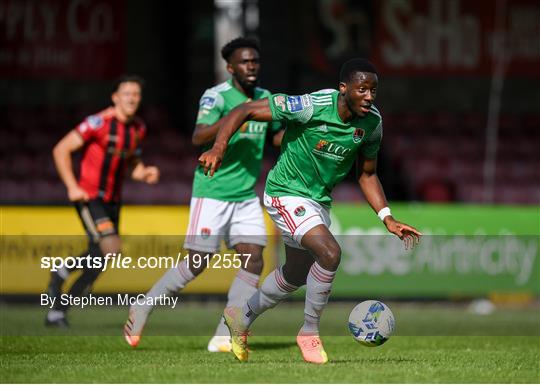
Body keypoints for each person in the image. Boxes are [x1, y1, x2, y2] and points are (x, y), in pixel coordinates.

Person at [199, 58, 422, 364]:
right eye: (362, 89)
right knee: (330, 253)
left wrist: (387, 217)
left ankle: (241, 317)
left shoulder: (372, 124)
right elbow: (245, 110)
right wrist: (219, 147)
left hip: (317, 201)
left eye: (373, 90)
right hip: (285, 193)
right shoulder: (311, 105)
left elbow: (367, 174)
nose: (369, 96)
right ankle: (309, 332)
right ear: (343, 89)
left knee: (294, 275)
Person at [123, 37, 283, 352]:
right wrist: (238, 116)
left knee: (253, 259)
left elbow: (277, 135)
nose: (251, 66)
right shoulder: (216, 96)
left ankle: (224, 334)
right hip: (212, 192)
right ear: (230, 67)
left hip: (246, 194)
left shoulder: (266, 98)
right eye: (244, 62)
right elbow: (199, 136)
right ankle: (143, 305)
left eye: (255, 61)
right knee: (198, 261)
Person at [46, 75, 160, 327]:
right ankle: (61, 274)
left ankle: (58, 309)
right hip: (90, 197)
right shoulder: (98, 123)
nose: (132, 98)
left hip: (113, 201)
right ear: (115, 97)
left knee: (101, 259)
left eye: (136, 94)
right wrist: (72, 186)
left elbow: (132, 163)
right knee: (111, 248)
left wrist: (143, 172)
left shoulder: (137, 129)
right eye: (127, 93)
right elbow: (60, 149)